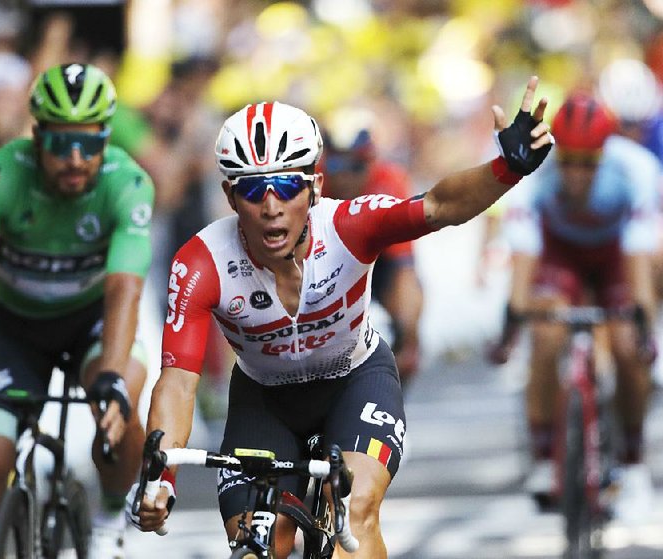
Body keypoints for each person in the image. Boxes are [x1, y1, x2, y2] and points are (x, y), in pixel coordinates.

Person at [129, 76, 553, 557]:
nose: (271, 208)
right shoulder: (201, 261)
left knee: (355, 508)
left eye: (287, 185)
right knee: (258, 544)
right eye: (252, 190)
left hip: (355, 380)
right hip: (264, 402)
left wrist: (507, 169)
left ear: (315, 186)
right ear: (229, 196)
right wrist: (160, 475)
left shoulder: (349, 227)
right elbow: (178, 381)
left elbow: (437, 206)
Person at [0, 63, 155, 559]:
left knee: (120, 407)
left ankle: (110, 509)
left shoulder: (127, 184)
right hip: (15, 334)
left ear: (108, 137)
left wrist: (109, 380)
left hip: (94, 325)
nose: (77, 159)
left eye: (90, 142)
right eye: (61, 144)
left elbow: (124, 288)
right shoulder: (2, 174)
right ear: (37, 136)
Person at [490, 92, 660, 523]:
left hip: (616, 255)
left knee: (625, 346)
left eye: (589, 162)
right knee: (545, 334)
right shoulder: (534, 167)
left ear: (606, 152)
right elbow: (524, 262)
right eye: (569, 162)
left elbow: (640, 260)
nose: (577, 173)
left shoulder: (636, 169)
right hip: (559, 253)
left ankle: (634, 462)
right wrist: (513, 321)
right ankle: (547, 455)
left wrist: (642, 325)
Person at [321, 106, 424, 385]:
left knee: (406, 339)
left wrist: (406, 330)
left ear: (370, 163)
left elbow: (404, 269)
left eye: (355, 166)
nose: (344, 177)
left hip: (382, 264)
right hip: (328, 263)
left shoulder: (391, 183)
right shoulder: (313, 185)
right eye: (335, 166)